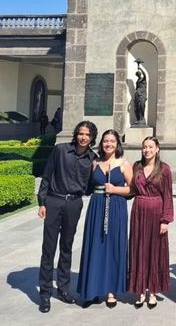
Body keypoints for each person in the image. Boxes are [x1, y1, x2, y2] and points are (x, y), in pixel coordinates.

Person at [36, 121, 97, 313]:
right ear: (76, 134)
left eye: (87, 134)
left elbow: (90, 185)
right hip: (54, 201)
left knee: (67, 248)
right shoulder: (61, 151)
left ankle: (63, 289)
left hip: (74, 204)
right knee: (49, 248)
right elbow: (47, 176)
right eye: (81, 133)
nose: (83, 137)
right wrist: (42, 202)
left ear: (92, 137)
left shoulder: (92, 158)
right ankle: (45, 294)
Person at [76, 129, 134, 308]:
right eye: (105, 141)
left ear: (118, 144)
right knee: (95, 247)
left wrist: (115, 189)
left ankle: (111, 291)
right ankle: (93, 289)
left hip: (116, 207)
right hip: (97, 206)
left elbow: (132, 190)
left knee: (113, 248)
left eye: (112, 141)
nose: (108, 144)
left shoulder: (125, 164)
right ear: (101, 144)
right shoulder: (95, 163)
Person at [127, 136, 174, 309]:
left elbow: (168, 195)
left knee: (155, 251)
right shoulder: (137, 167)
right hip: (138, 212)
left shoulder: (164, 169)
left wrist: (165, 219)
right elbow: (131, 189)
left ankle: (153, 290)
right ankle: (140, 290)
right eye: (144, 147)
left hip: (157, 213)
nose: (147, 150)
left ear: (157, 149)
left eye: (150, 147)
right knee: (138, 249)